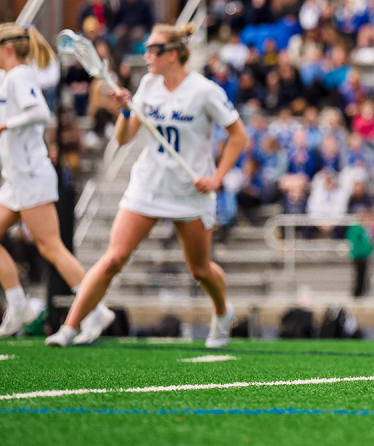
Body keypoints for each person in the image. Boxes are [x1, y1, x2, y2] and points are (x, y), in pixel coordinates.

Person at [48, 23, 249, 347]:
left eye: (153, 50)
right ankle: (70, 328)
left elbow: (239, 135)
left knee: (200, 270)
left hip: (188, 191)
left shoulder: (204, 90)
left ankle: (222, 312)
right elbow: (123, 137)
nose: (147, 55)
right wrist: (126, 111)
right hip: (148, 186)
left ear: (172, 54)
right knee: (114, 258)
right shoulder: (148, 85)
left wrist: (217, 177)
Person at [0, 25, 113, 339]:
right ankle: (19, 305)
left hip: (33, 176)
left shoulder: (20, 77)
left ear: (7, 48)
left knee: (51, 248)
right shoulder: (7, 78)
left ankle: (95, 309)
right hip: (16, 180)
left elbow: (38, 112)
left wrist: (3, 126)